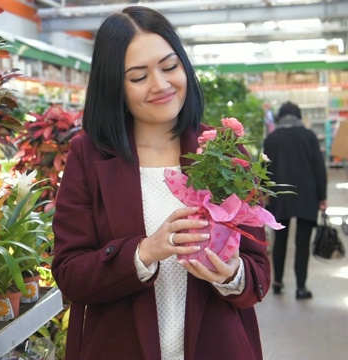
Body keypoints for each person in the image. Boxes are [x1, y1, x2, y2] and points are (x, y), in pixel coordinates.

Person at [51, 6, 270, 360]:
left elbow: (258, 273)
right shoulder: (88, 156)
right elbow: (70, 273)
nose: (161, 85)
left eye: (170, 67)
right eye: (139, 77)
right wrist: (144, 252)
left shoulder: (223, 152)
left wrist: (231, 274)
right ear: (114, 86)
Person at [263, 101, 327, 300]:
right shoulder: (309, 136)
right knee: (302, 242)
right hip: (307, 195)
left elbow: (265, 169)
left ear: (280, 117)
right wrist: (322, 196)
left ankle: (278, 282)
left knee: (279, 240)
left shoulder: (272, 138)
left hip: (280, 195)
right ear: (299, 116)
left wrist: (264, 194)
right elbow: (319, 167)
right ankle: (301, 287)